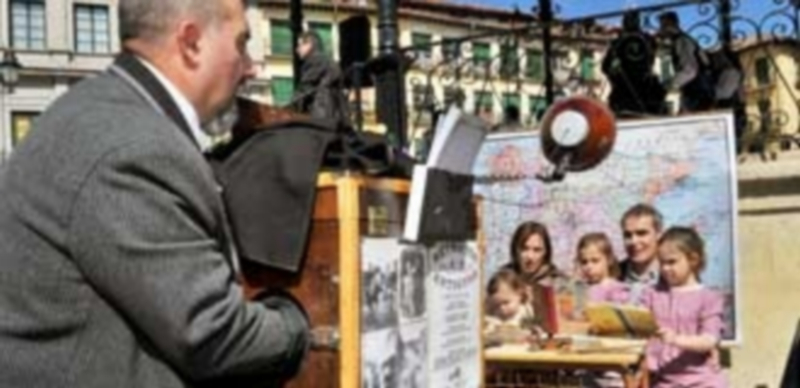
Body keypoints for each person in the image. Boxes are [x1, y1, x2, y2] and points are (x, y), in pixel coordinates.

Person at [0, 1, 310, 387]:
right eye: (241, 44)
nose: (251, 67)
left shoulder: (97, 110)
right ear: (191, 42)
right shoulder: (135, 146)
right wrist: (299, 324)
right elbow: (211, 334)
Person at [643, 227, 727, 387]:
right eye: (661, 262)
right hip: (664, 380)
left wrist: (676, 339)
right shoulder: (652, 295)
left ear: (693, 260)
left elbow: (709, 340)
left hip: (702, 381)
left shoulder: (708, 298)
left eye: (671, 262)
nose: (665, 268)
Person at [601, 10, 666, 117]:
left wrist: (615, 77)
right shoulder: (650, 40)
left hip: (623, 93)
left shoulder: (617, 42)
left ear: (625, 23)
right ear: (638, 22)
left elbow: (605, 67)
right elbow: (652, 59)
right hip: (646, 93)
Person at [291, 30, 351, 129]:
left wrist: (288, 109)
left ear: (309, 44)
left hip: (321, 114)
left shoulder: (315, 60)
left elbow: (305, 88)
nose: (297, 50)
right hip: (335, 116)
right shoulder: (327, 61)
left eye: (299, 45)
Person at [658, 11, 715, 113]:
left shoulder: (682, 41)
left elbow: (690, 70)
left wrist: (670, 84)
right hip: (696, 93)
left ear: (671, 25)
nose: (660, 29)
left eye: (663, 25)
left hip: (696, 94)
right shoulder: (678, 41)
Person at [618, 203, 664, 304]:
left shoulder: (672, 276)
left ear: (659, 234)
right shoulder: (612, 274)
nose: (633, 241)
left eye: (641, 233)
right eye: (628, 235)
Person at [575, 232, 630, 304]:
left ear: (609, 260)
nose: (588, 267)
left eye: (595, 261)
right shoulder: (580, 290)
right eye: (584, 262)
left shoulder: (617, 290)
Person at [506, 221, 564, 286]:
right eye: (524, 249)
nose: (530, 256)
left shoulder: (559, 285)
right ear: (515, 249)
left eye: (537, 250)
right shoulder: (504, 281)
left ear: (546, 252)